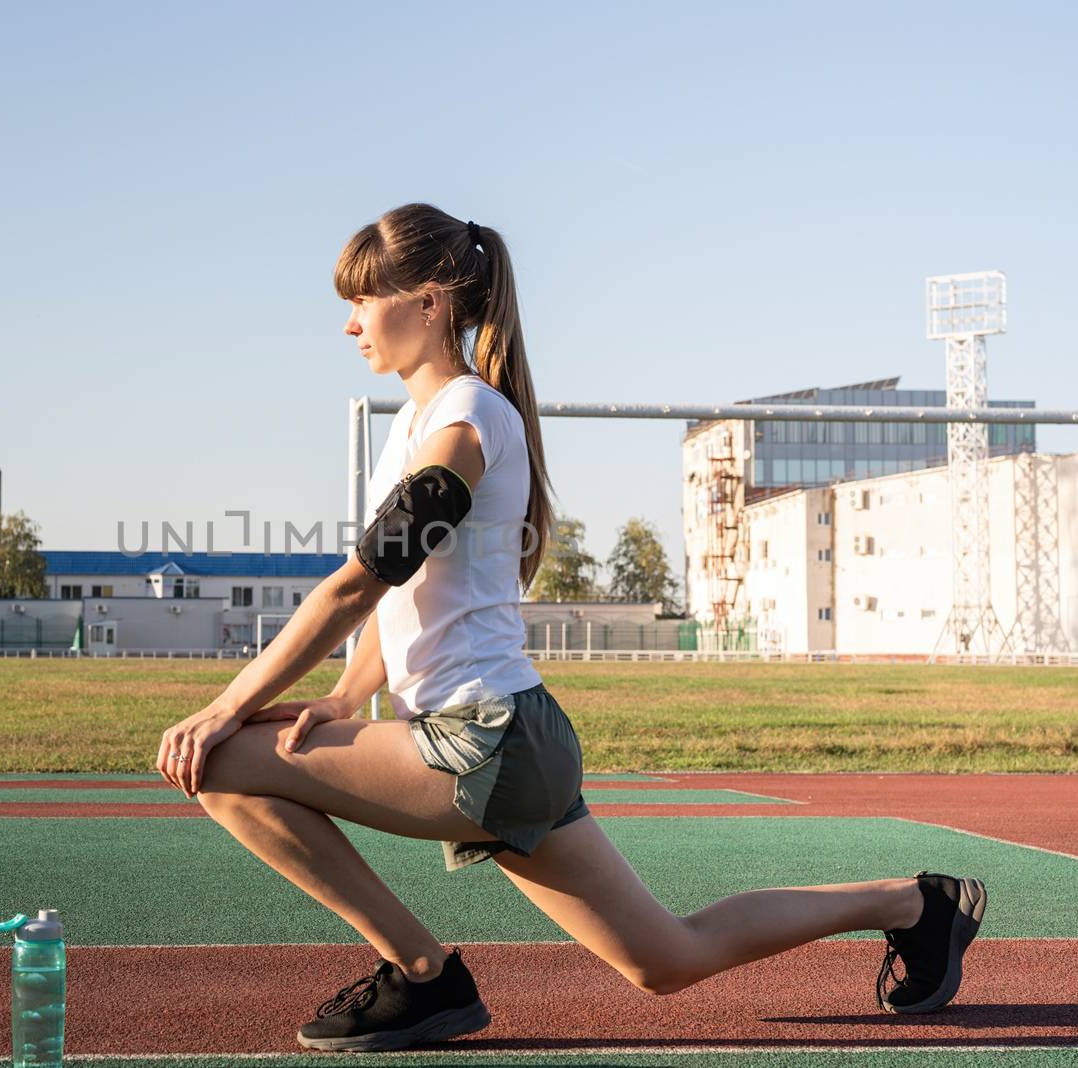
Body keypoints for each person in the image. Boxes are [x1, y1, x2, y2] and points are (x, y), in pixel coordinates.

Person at [156, 203, 986, 1053]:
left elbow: (358, 584)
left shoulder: (465, 420)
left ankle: (422, 976)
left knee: (217, 757)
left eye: (366, 298)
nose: (351, 321)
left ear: (432, 302)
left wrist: (227, 704)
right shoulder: (418, 421)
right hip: (513, 738)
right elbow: (407, 595)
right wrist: (342, 696)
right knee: (667, 957)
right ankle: (915, 904)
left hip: (485, 741)